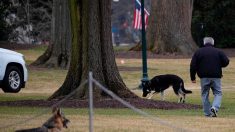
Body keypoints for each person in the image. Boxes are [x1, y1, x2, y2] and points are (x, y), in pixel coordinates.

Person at [190, 37, 229, 117]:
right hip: (216, 76)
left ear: (204, 43)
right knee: (218, 93)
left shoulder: (198, 52)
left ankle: (207, 113)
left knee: (204, 94)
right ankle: (215, 107)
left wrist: (193, 78)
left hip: (204, 77)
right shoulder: (218, 51)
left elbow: (193, 65)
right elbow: (226, 61)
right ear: (213, 43)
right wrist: (219, 66)